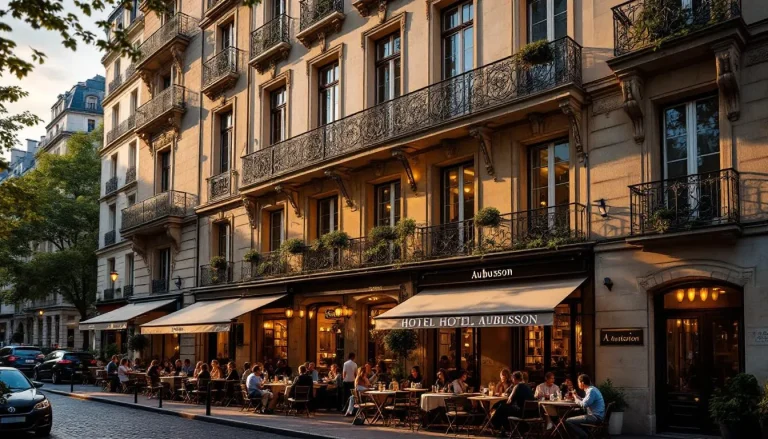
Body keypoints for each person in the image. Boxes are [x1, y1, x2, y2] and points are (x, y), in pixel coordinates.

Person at [566, 375, 606, 439]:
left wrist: (576, 399)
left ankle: (584, 436)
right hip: (597, 416)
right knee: (576, 418)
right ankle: (586, 435)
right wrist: (576, 396)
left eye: (578, 382)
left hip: (595, 417)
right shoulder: (592, 389)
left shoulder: (591, 391)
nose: (578, 384)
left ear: (582, 383)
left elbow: (584, 404)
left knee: (568, 421)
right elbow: (586, 401)